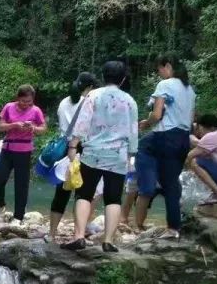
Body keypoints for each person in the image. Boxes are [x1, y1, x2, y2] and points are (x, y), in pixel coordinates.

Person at [63, 60, 138, 253]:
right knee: (113, 199)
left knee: (84, 194)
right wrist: (131, 154)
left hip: (93, 153)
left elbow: (82, 123)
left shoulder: (93, 96)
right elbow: (133, 131)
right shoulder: (130, 101)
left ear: (104, 76)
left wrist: (73, 145)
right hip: (118, 156)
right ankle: (108, 241)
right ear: (122, 79)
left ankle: (79, 237)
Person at [135, 56, 196, 239]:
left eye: (159, 70)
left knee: (143, 147)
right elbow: (191, 120)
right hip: (183, 139)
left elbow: (157, 113)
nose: (159, 74)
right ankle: (173, 226)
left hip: (166, 137)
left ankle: (147, 185)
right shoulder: (190, 89)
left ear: (168, 66)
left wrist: (146, 124)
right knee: (171, 182)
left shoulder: (165, 84)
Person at [47, 72, 98, 242]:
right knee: (84, 193)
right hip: (83, 149)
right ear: (90, 88)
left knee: (61, 193)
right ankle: (79, 234)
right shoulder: (89, 103)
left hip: (65, 150)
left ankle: (52, 234)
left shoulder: (64, 102)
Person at [0, 85, 46, 225]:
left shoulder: (36, 110)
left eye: (29, 102)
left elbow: (43, 128)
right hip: (7, 148)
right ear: (18, 98)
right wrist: (14, 125)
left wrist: (33, 128)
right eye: (23, 101)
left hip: (24, 151)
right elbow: (1, 126)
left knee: (21, 184)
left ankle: (18, 216)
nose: (26, 104)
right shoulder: (9, 107)